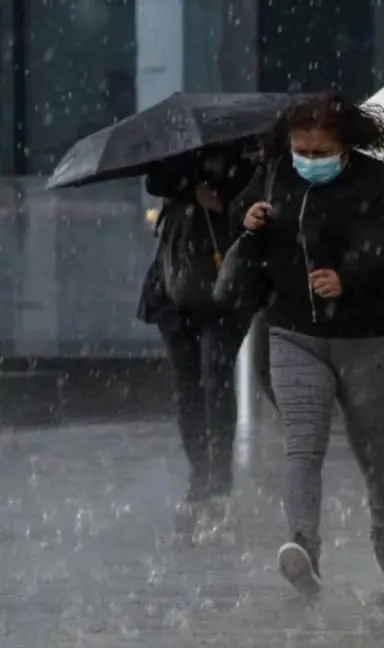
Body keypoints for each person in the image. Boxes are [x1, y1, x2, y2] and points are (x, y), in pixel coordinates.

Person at [230, 94, 384, 594]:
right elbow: (237, 211)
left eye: (321, 150)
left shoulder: (378, 183)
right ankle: (304, 547)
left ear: (346, 144)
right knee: (303, 445)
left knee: (369, 444)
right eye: (302, 151)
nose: (310, 160)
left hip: (365, 337)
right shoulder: (274, 174)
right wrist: (248, 215)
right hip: (293, 332)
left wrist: (349, 277)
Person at [137, 142, 255, 504]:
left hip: (223, 288)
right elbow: (154, 181)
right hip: (174, 289)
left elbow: (256, 204)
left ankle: (219, 472)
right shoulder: (175, 156)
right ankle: (199, 472)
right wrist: (190, 185)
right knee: (188, 383)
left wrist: (222, 203)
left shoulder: (242, 159)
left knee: (215, 378)